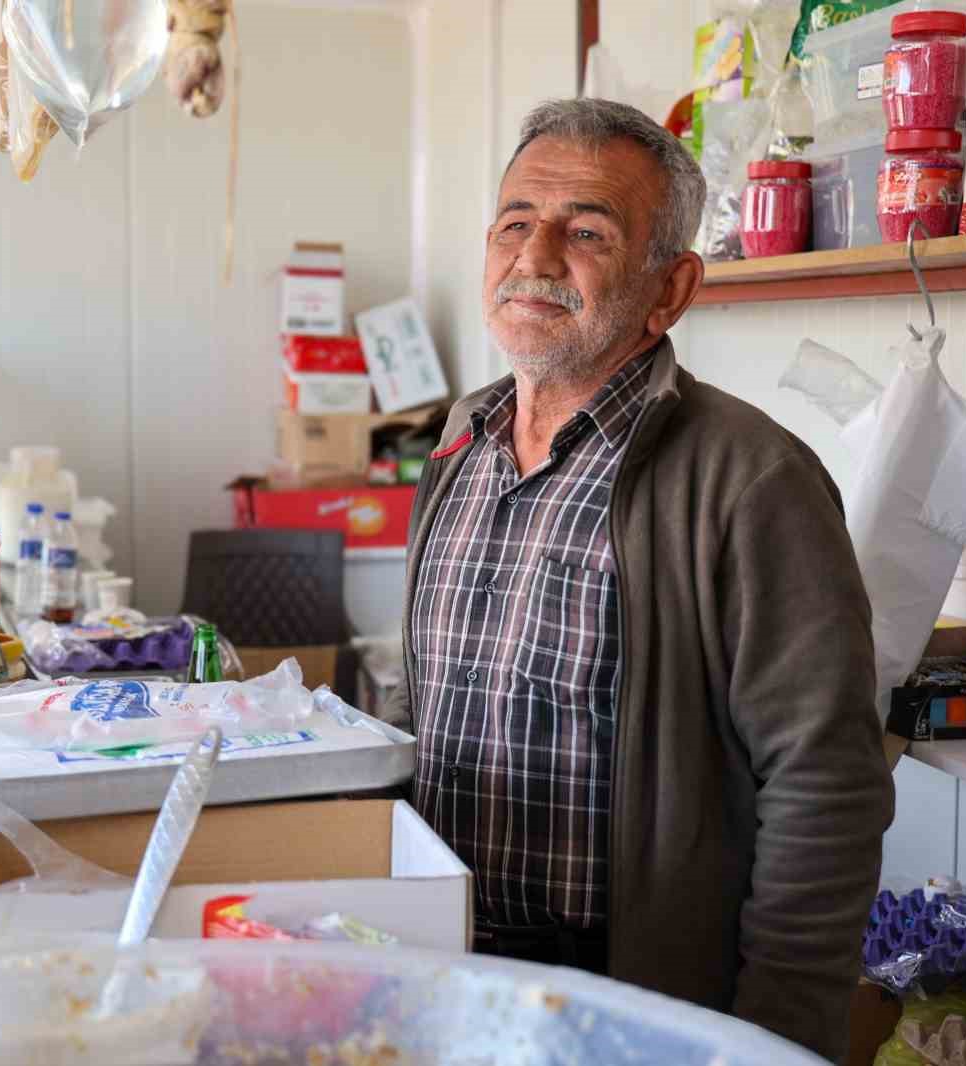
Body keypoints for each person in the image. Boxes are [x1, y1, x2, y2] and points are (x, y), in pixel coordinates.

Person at [384, 98, 894, 1061]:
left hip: (641, 1008)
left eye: (586, 231)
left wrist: (775, 1036)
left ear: (670, 288)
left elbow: (826, 781)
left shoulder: (750, 478)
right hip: (449, 980)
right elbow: (424, 701)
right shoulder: (460, 442)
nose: (534, 258)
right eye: (513, 224)